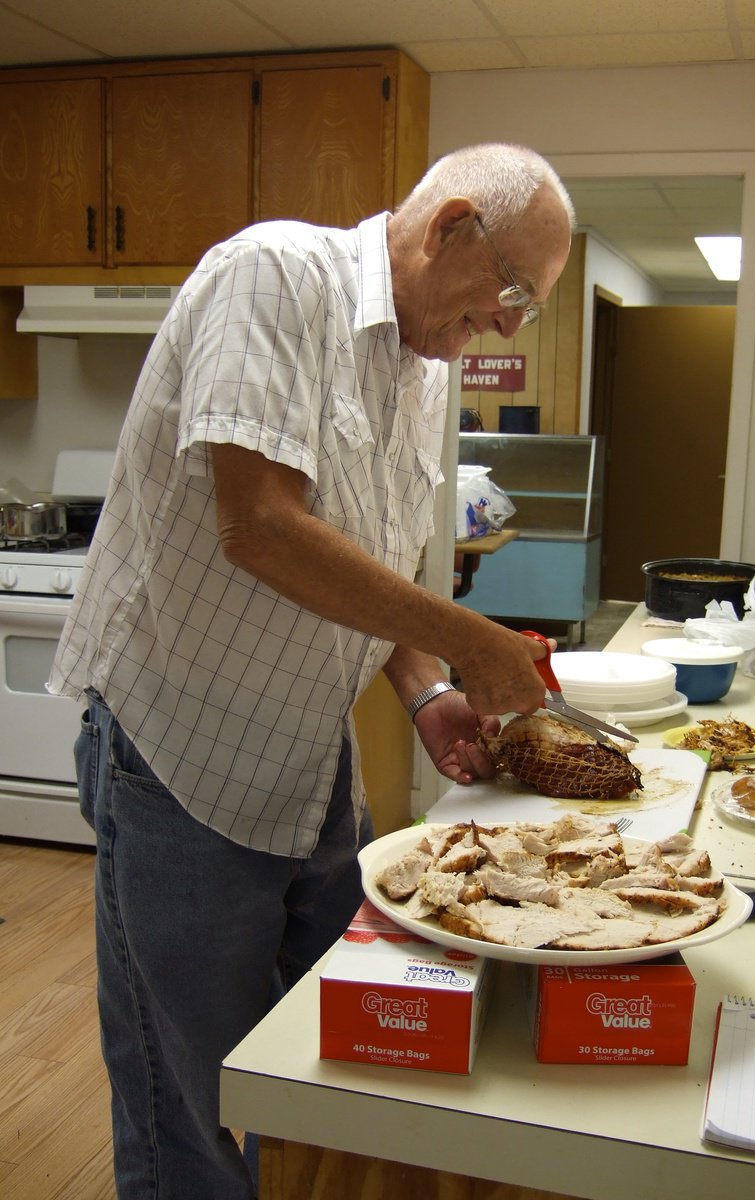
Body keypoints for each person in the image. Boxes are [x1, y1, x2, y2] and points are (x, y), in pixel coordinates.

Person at [49, 142, 574, 1199]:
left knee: (342, 1061)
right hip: (179, 758)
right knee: (185, 1104)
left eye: (531, 304)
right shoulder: (275, 278)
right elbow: (262, 529)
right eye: (512, 288)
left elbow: (368, 563)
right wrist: (476, 640)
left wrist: (426, 687)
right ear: (449, 225)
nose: (514, 324)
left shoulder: (428, 364)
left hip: (306, 763)